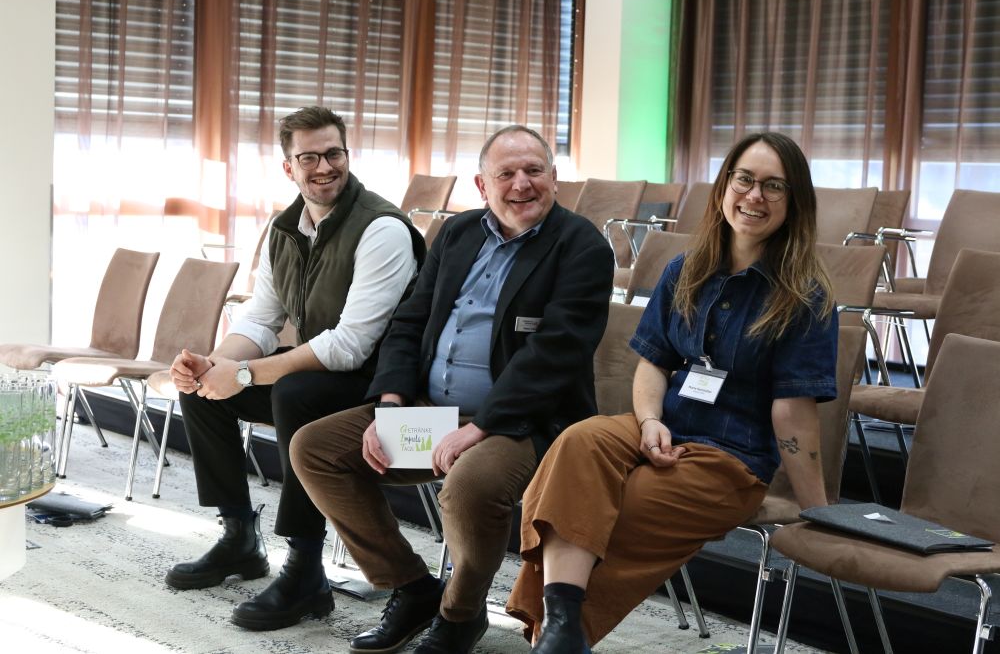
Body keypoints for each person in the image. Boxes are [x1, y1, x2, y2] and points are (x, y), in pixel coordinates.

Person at [505, 132, 839, 652]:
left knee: (613, 508)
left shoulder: (804, 296)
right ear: (724, 186)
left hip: (731, 457)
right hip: (667, 425)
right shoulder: (686, 270)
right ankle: (563, 628)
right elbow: (653, 364)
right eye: (745, 179)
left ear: (794, 201)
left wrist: (818, 510)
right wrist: (650, 422)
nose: (755, 196)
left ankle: (555, 633)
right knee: (578, 442)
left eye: (774, 186)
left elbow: (792, 411)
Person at [289, 125, 615, 654]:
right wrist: (390, 405)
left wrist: (479, 428)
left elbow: (554, 355)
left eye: (534, 170)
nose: (522, 184)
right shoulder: (459, 233)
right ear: (482, 186)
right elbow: (410, 321)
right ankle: (412, 587)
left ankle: (460, 614)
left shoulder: (582, 247)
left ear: (554, 178)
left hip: (523, 423)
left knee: (469, 487)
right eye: (505, 173)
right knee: (316, 448)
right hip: (433, 413)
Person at [164, 106, 425, 632]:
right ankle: (239, 536)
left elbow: (351, 346)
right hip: (321, 375)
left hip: (384, 388)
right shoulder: (284, 229)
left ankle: (305, 567)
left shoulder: (382, 229)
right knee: (200, 390)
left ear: (347, 155)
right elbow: (262, 319)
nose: (323, 167)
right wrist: (213, 365)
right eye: (309, 157)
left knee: (295, 393)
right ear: (289, 167)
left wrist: (243, 374)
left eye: (333, 154)